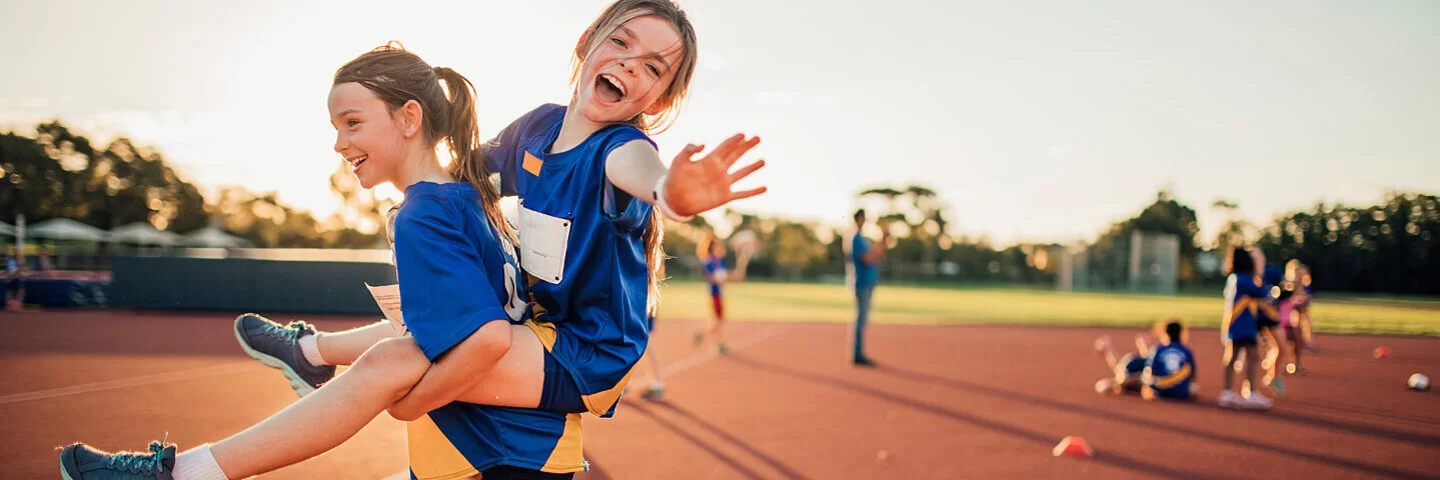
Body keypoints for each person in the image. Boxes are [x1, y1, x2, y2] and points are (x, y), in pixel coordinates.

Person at [61, 44, 581, 480]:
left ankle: (177, 472)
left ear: (409, 117)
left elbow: (486, 339)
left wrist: (408, 402)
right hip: (522, 440)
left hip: (499, 449)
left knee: (389, 359)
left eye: (353, 123)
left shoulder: (423, 213)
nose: (339, 143)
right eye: (336, 127)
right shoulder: (469, 197)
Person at [1219, 246, 1277, 410]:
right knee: (1253, 356)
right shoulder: (1245, 279)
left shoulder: (1233, 278)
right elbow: (1262, 293)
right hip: (1244, 325)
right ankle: (1251, 392)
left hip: (1233, 323)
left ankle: (1227, 391)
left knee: (1231, 357)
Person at [1093, 319, 1198, 400]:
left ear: (1165, 334)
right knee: (1193, 389)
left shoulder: (1159, 349)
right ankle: (1134, 348)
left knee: (1133, 378)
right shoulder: (1187, 351)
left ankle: (1111, 373)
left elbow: (1148, 374)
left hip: (1158, 389)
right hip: (1182, 393)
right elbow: (1193, 376)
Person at [692, 233, 752, 354]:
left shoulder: (719, 261)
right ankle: (706, 335)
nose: (719, 247)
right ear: (712, 248)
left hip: (720, 293)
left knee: (718, 320)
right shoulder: (709, 262)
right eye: (717, 246)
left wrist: (736, 275)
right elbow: (710, 277)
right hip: (714, 294)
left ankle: (717, 342)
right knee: (719, 320)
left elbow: (725, 276)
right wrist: (722, 277)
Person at [846, 209, 889, 367]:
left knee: (863, 319)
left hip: (868, 282)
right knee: (861, 319)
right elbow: (866, 258)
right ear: (858, 219)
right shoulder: (855, 238)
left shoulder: (863, 238)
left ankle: (858, 352)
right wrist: (879, 247)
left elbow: (876, 255)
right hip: (861, 283)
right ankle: (857, 354)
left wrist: (883, 242)